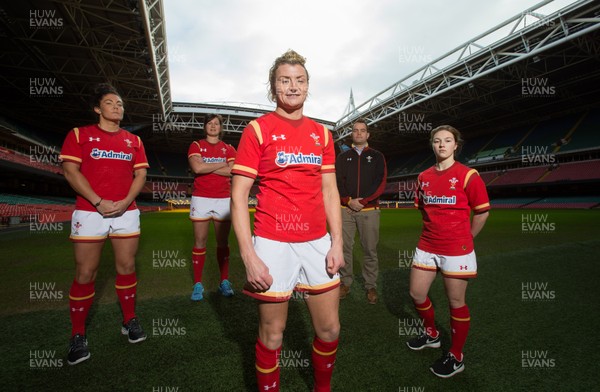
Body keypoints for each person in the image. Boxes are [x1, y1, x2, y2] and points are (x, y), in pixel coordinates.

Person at [231, 49, 344, 392]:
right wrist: (249, 256)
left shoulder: (322, 135)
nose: (293, 87)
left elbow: (329, 191)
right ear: (273, 87)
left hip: (317, 240)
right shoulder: (257, 130)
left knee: (330, 330)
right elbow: (238, 196)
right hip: (272, 241)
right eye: (284, 80)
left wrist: (337, 242)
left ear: (308, 86)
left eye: (300, 80)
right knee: (272, 333)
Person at [59, 83, 149, 366]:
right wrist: (98, 201)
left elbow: (140, 176)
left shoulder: (133, 141)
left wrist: (124, 203)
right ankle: (77, 335)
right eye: (110, 103)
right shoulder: (79, 135)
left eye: (120, 103)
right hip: (89, 211)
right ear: (97, 108)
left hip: (126, 211)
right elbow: (71, 171)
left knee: (127, 267)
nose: (117, 107)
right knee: (86, 272)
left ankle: (129, 320)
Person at [406, 125, 490, 378]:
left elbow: (482, 211)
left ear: (456, 145)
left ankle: (456, 355)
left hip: (457, 249)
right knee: (416, 293)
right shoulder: (423, 177)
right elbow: (422, 208)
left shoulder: (468, 175)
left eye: (448, 140)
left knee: (456, 302)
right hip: (427, 245)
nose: (442, 145)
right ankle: (432, 334)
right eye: (437, 141)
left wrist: (466, 238)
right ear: (432, 145)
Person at [335, 118, 387, 304]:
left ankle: (370, 285)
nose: (358, 133)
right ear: (352, 134)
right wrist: (348, 201)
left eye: (362, 130)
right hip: (345, 209)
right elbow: (338, 182)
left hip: (369, 210)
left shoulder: (377, 156)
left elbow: (380, 183)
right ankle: (345, 282)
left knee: (370, 250)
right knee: (344, 248)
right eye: (355, 130)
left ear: (367, 134)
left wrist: (362, 202)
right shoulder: (342, 157)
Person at [187, 114, 236, 300]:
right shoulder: (196, 145)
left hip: (223, 199)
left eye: (217, 123)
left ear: (221, 127)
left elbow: (233, 170)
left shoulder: (229, 147)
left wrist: (207, 164)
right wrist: (223, 163)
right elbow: (197, 169)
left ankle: (224, 281)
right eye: (210, 123)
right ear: (205, 126)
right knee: (200, 242)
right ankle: (198, 284)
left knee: (222, 242)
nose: (213, 126)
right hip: (201, 198)